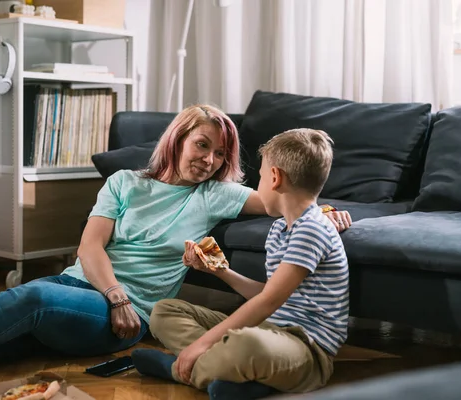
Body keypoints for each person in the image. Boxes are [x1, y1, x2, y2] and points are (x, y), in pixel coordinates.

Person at [0, 106, 351, 398]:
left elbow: (284, 198)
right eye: (201, 145)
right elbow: (90, 245)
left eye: (218, 153)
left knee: (31, 297)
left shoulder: (214, 194)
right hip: (84, 291)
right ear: (178, 140)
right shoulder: (124, 183)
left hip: (125, 317)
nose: (208, 159)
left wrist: (327, 208)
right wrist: (112, 291)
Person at [131, 128, 350, 400]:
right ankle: (235, 379)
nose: (258, 184)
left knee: (247, 344)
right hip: (267, 329)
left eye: (259, 177)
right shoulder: (280, 228)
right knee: (164, 311)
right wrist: (221, 272)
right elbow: (270, 294)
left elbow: (267, 301)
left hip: (307, 350)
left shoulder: (312, 229)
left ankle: (180, 369)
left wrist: (200, 344)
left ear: (274, 177)